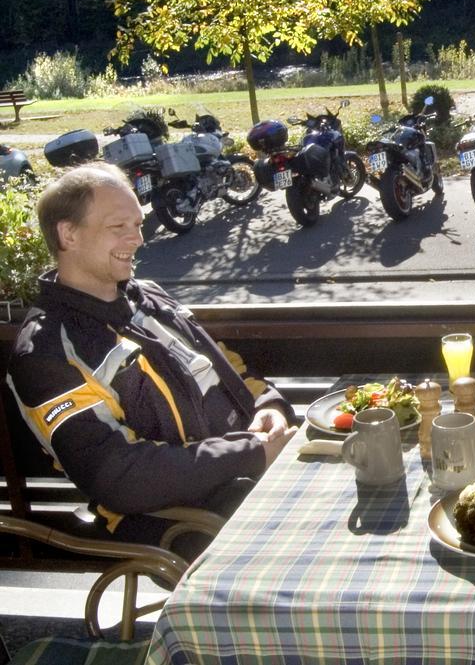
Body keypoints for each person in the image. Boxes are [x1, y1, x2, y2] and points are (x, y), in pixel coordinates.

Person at [5, 163, 297, 553]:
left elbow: (229, 370)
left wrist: (269, 406)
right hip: (179, 518)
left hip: (247, 473)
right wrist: (249, 454)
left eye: (138, 225)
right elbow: (119, 477)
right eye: (118, 227)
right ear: (68, 234)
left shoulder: (150, 296)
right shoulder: (44, 352)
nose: (137, 239)